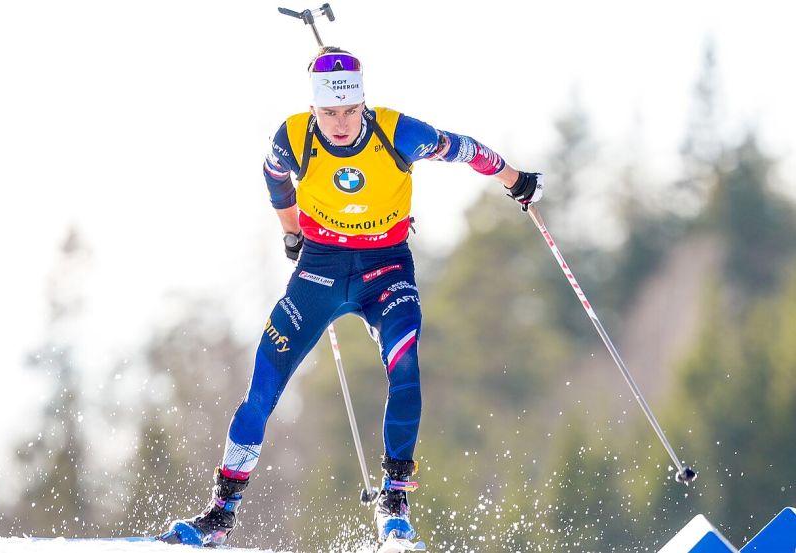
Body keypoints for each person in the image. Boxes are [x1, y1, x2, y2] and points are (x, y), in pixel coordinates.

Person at [160, 46, 545, 547]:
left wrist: (515, 180)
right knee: (261, 388)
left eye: (348, 112)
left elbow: (465, 148)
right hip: (318, 272)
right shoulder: (293, 136)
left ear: (362, 104)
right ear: (314, 109)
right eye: (328, 113)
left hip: (386, 272)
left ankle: (395, 501)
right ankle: (220, 514)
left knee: (405, 367)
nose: (339, 124)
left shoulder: (398, 133)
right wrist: (291, 229)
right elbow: (274, 177)